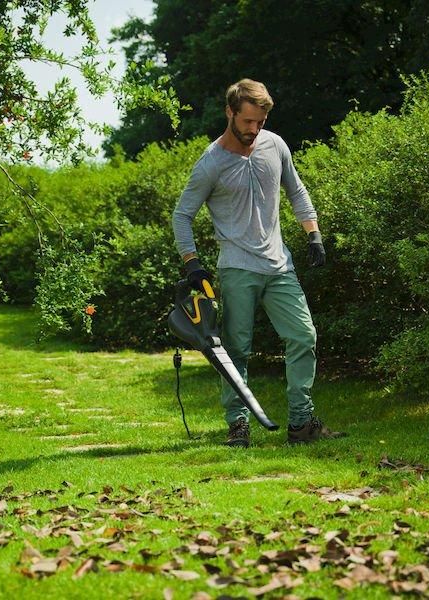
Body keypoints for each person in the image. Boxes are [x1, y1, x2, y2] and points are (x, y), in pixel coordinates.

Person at [171, 78, 346, 448]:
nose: (254, 130)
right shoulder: (211, 163)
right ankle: (238, 426)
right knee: (235, 350)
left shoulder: (275, 145)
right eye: (248, 121)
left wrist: (313, 234)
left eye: (260, 123)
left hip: (280, 265)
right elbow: (182, 215)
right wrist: (193, 264)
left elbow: (296, 191)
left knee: (303, 336)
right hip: (237, 267)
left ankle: (301, 423)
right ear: (230, 112)